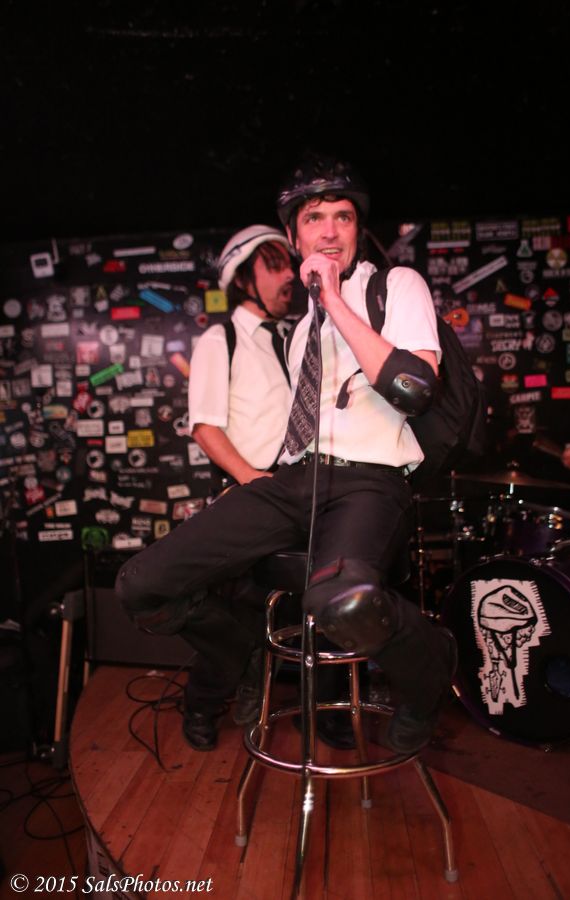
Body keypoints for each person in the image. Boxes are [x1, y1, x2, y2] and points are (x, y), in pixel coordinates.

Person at [116, 154, 457, 759]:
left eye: (343, 217)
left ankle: (431, 667)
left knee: (338, 604)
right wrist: (252, 487)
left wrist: (335, 300)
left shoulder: (396, 286)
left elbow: (414, 389)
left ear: (357, 229)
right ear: (296, 237)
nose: (329, 231)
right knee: (141, 585)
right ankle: (243, 652)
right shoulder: (299, 330)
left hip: (370, 480)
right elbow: (297, 426)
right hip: (296, 478)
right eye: (313, 219)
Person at [181, 225, 295, 749]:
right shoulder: (220, 339)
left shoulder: (294, 338)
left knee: (292, 604)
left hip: (294, 494)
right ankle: (203, 704)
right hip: (248, 491)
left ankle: (272, 688)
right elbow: (205, 427)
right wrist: (250, 480)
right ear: (244, 277)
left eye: (289, 264)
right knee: (238, 609)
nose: (290, 275)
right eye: (275, 265)